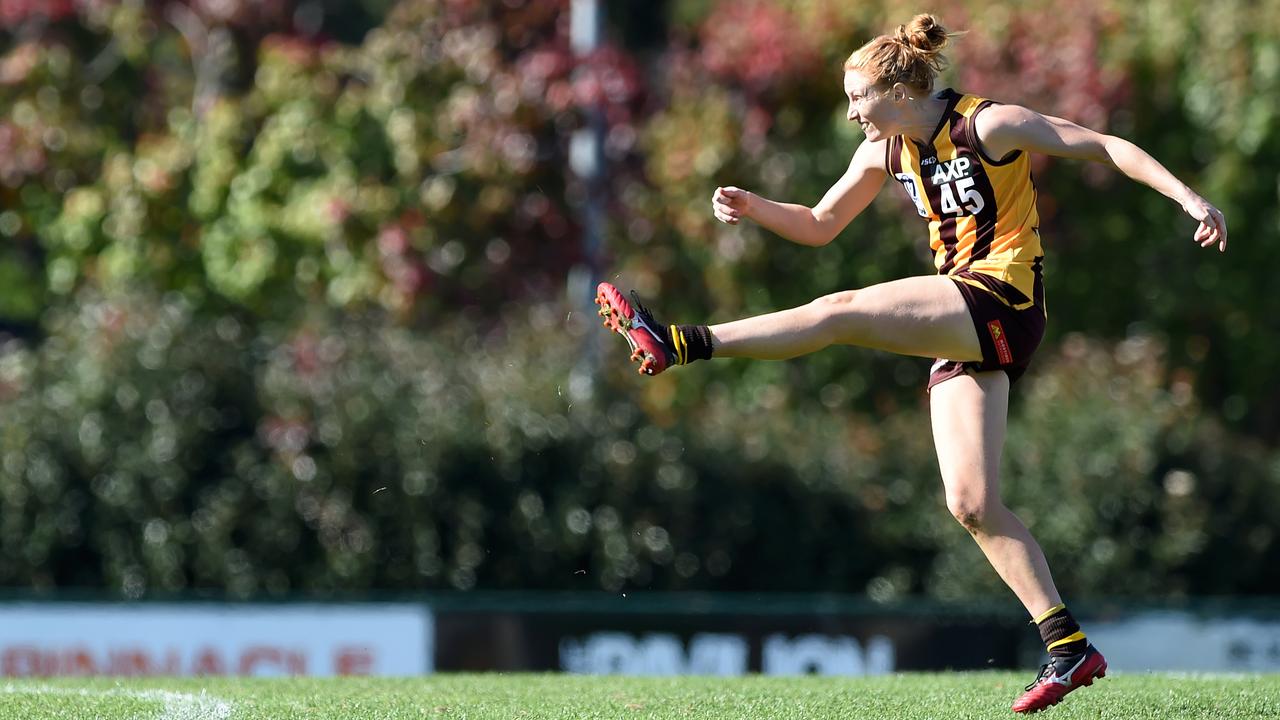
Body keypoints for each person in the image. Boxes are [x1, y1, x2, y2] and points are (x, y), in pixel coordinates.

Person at [595, 13, 1227, 714]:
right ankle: (1069, 646)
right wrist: (756, 206)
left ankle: (681, 342)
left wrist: (1189, 198)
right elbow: (819, 224)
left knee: (841, 309)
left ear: (898, 91)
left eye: (857, 97)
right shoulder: (884, 151)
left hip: (1003, 300)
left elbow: (1106, 146)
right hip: (962, 320)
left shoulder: (987, 126)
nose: (850, 112)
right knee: (971, 503)